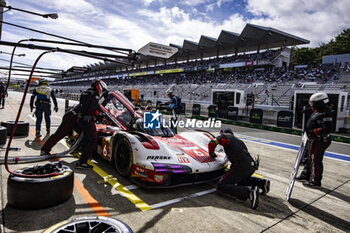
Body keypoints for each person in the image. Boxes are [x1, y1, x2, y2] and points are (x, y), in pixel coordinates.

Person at [208, 128, 270, 209]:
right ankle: (262, 183)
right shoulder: (240, 141)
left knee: (221, 185)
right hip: (251, 165)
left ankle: (249, 193)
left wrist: (212, 154)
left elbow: (212, 143)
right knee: (238, 180)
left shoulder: (225, 137)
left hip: (241, 165)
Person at [296, 92, 333, 187]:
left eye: (313, 103)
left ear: (319, 103)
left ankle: (315, 181)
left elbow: (326, 129)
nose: (312, 105)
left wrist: (313, 132)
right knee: (308, 158)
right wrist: (308, 110)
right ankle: (306, 175)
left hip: (319, 140)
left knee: (315, 160)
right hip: (313, 139)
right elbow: (315, 115)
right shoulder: (319, 110)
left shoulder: (325, 114)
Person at [75, 80, 108, 169]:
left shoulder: (85, 92)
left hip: (80, 119)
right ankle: (83, 162)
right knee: (93, 139)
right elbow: (93, 109)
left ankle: (81, 158)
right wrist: (100, 115)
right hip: (88, 120)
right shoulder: (95, 94)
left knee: (86, 139)